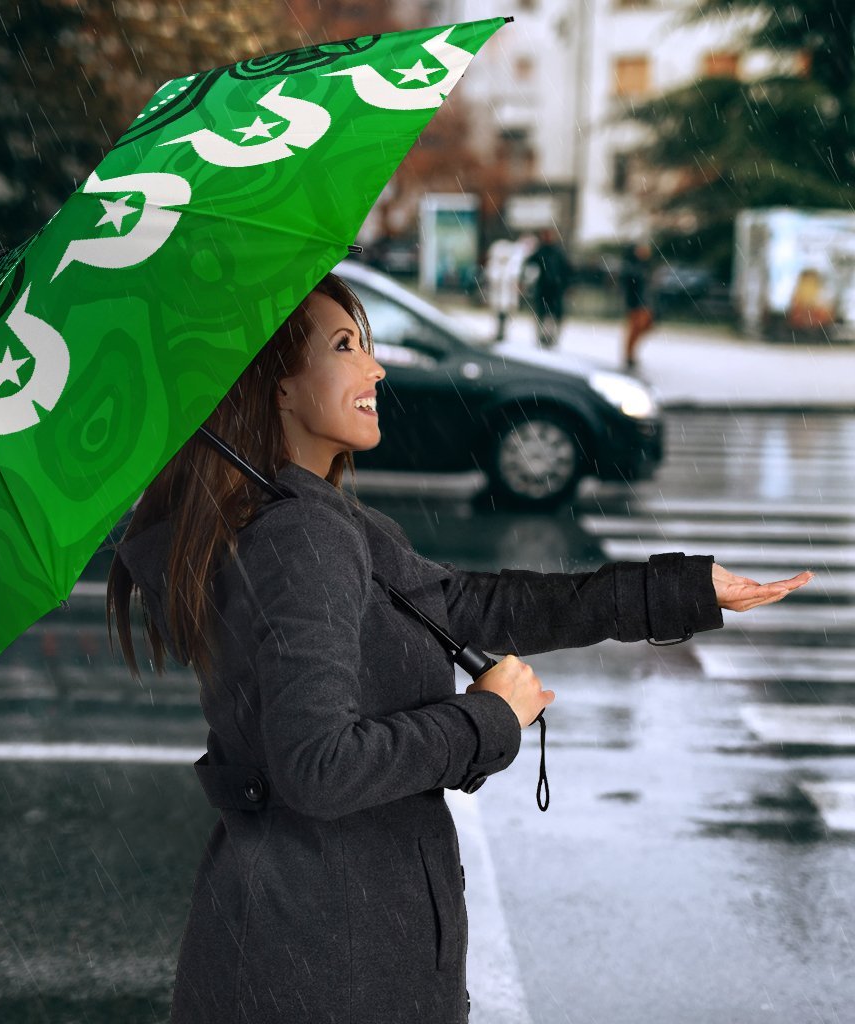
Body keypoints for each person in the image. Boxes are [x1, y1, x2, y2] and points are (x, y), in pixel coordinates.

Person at [107, 272, 813, 1024]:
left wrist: (678, 590)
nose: (375, 368)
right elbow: (317, 767)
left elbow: (476, 606)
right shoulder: (301, 537)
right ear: (276, 387)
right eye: (346, 346)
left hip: (313, 943)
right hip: (326, 962)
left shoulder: (314, 521)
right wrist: (485, 719)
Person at [522, 227, 573, 349]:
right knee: (542, 313)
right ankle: (542, 336)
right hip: (544, 288)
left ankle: (551, 337)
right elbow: (529, 264)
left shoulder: (558, 252)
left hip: (555, 289)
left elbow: (567, 270)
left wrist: (567, 285)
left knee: (553, 314)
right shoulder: (541, 251)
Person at [621, 241, 655, 370]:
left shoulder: (645, 266)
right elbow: (630, 284)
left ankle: (631, 354)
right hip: (636, 302)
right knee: (635, 329)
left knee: (645, 326)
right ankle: (629, 355)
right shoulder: (631, 266)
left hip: (645, 302)